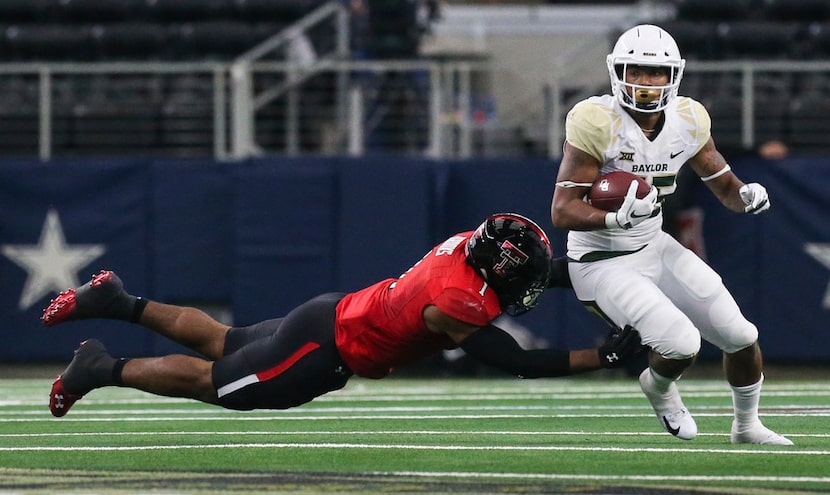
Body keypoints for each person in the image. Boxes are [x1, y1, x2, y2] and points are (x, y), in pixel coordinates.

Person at [42, 213, 644, 417]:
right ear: (494, 268)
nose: (529, 284)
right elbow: (516, 360)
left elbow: (545, 272)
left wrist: (615, 273)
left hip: (332, 313)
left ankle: (119, 302)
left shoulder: (471, 248)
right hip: (325, 348)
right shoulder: (454, 301)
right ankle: (102, 367)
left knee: (226, 341)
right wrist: (606, 356)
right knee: (218, 384)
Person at [550, 24, 792, 445]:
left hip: (654, 245)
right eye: (636, 70)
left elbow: (724, 185)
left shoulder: (688, 119)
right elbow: (562, 210)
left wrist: (747, 195)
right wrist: (613, 220)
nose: (645, 82)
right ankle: (659, 387)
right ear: (618, 72)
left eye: (655, 72)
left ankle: (747, 425)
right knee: (680, 343)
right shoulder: (596, 121)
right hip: (600, 261)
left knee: (741, 335)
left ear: (673, 76)